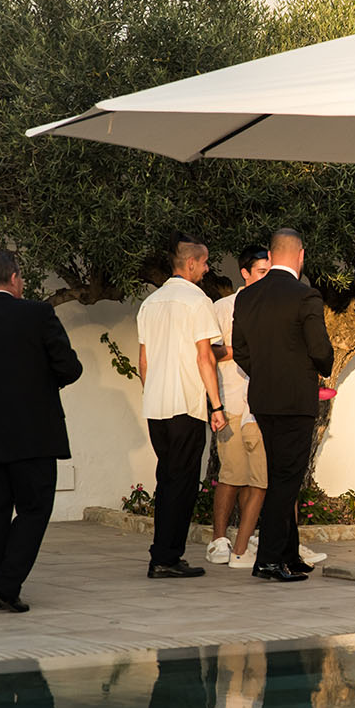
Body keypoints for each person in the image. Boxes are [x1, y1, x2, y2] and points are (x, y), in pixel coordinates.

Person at [0, 249, 83, 611]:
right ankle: (7, 585)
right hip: (36, 435)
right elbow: (68, 368)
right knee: (35, 509)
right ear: (13, 278)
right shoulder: (39, 314)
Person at [232, 228, 333, 583]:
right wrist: (319, 367)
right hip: (295, 399)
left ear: (272, 256)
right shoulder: (305, 295)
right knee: (286, 479)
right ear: (301, 255)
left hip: (263, 398)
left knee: (280, 474)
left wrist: (264, 372)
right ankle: (269, 560)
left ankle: (289, 554)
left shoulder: (247, 296)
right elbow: (320, 350)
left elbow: (240, 350)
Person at [137, 239, 226, 579]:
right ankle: (166, 556)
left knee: (167, 477)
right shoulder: (197, 301)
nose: (206, 269)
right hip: (186, 403)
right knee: (183, 482)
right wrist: (216, 404)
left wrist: (151, 392)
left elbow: (144, 360)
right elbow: (204, 357)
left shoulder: (150, 302)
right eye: (204, 263)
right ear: (190, 264)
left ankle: (163, 552)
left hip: (156, 404)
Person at [205, 246, 270, 569]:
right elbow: (208, 352)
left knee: (256, 478)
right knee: (231, 475)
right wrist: (240, 349)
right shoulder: (223, 307)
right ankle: (219, 539)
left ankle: (248, 538)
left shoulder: (272, 306)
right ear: (245, 273)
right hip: (231, 399)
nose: (266, 278)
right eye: (261, 272)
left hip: (261, 405)